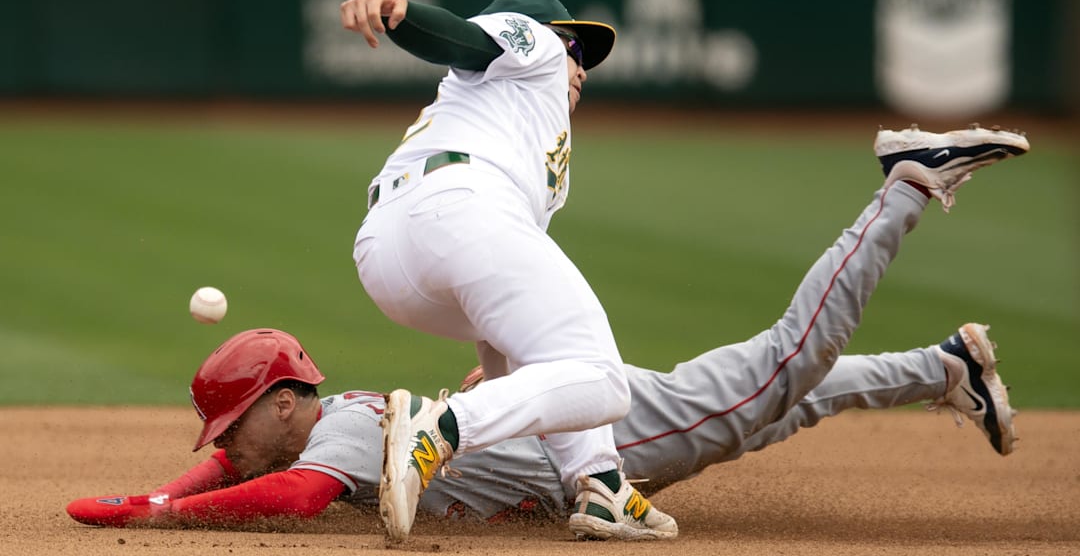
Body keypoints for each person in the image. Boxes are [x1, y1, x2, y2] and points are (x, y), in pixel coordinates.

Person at [66, 124, 1027, 535]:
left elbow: (295, 502)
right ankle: (944, 368)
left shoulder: (344, 438)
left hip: (619, 433)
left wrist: (166, 515)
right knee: (774, 410)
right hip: (593, 425)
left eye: (231, 431)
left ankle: (908, 184)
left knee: (782, 371)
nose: (224, 451)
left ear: (283, 405)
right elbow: (235, 473)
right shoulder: (332, 418)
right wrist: (149, 494)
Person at [340, 0, 676, 541]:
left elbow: (507, 319)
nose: (580, 65)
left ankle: (602, 488)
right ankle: (438, 427)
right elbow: (467, 40)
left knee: (559, 353)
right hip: (458, 205)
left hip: (387, 253)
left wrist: (504, 388)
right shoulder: (536, 46)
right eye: (576, 46)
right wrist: (404, 16)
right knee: (604, 379)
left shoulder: (502, 122)